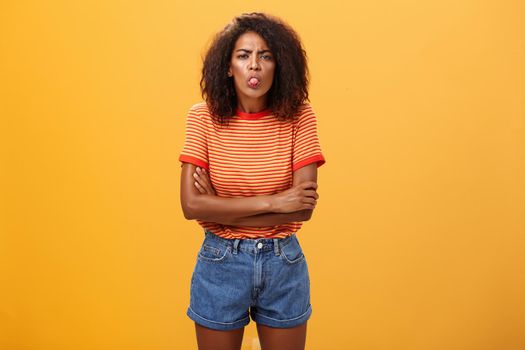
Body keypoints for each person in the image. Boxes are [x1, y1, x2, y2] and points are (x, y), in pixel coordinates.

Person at [179, 12, 326, 350]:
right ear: (228, 67)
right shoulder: (201, 118)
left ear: (280, 65)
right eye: (244, 56)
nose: (255, 65)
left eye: (266, 56)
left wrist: (221, 207)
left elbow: (302, 210)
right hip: (220, 261)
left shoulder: (300, 117)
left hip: (283, 263)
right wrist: (276, 202)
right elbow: (191, 205)